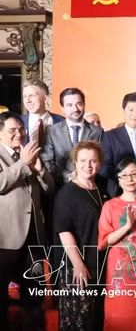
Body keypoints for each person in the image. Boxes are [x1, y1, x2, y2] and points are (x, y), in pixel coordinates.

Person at [0, 112, 53, 330]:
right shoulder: (20, 158)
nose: (19, 134)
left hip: (33, 237)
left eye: (21, 129)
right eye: (12, 130)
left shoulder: (28, 153)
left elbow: (49, 189)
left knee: (34, 294)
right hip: (5, 238)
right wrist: (23, 164)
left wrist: (40, 171)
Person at [98, 159, 136, 331]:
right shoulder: (110, 205)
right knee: (120, 311)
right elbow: (103, 242)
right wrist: (127, 226)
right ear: (118, 179)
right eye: (124, 175)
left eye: (134, 174)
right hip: (120, 267)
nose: (130, 179)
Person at [54, 141, 109, 331]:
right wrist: (78, 264)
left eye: (93, 161)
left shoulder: (102, 190)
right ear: (75, 163)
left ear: (100, 163)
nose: (88, 166)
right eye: (83, 160)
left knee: (95, 318)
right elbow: (64, 230)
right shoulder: (67, 193)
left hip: (99, 263)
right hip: (76, 266)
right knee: (78, 319)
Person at [41, 87, 104, 188]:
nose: (75, 109)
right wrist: (68, 177)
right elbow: (47, 161)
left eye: (79, 104)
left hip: (90, 186)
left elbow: (101, 160)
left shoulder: (97, 132)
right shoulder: (52, 131)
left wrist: (85, 176)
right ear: (63, 108)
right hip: (61, 187)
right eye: (69, 105)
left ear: (84, 105)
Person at [21, 79, 64, 144]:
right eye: (25, 96)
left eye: (31, 96)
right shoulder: (18, 122)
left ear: (45, 98)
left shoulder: (62, 122)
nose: (27, 100)